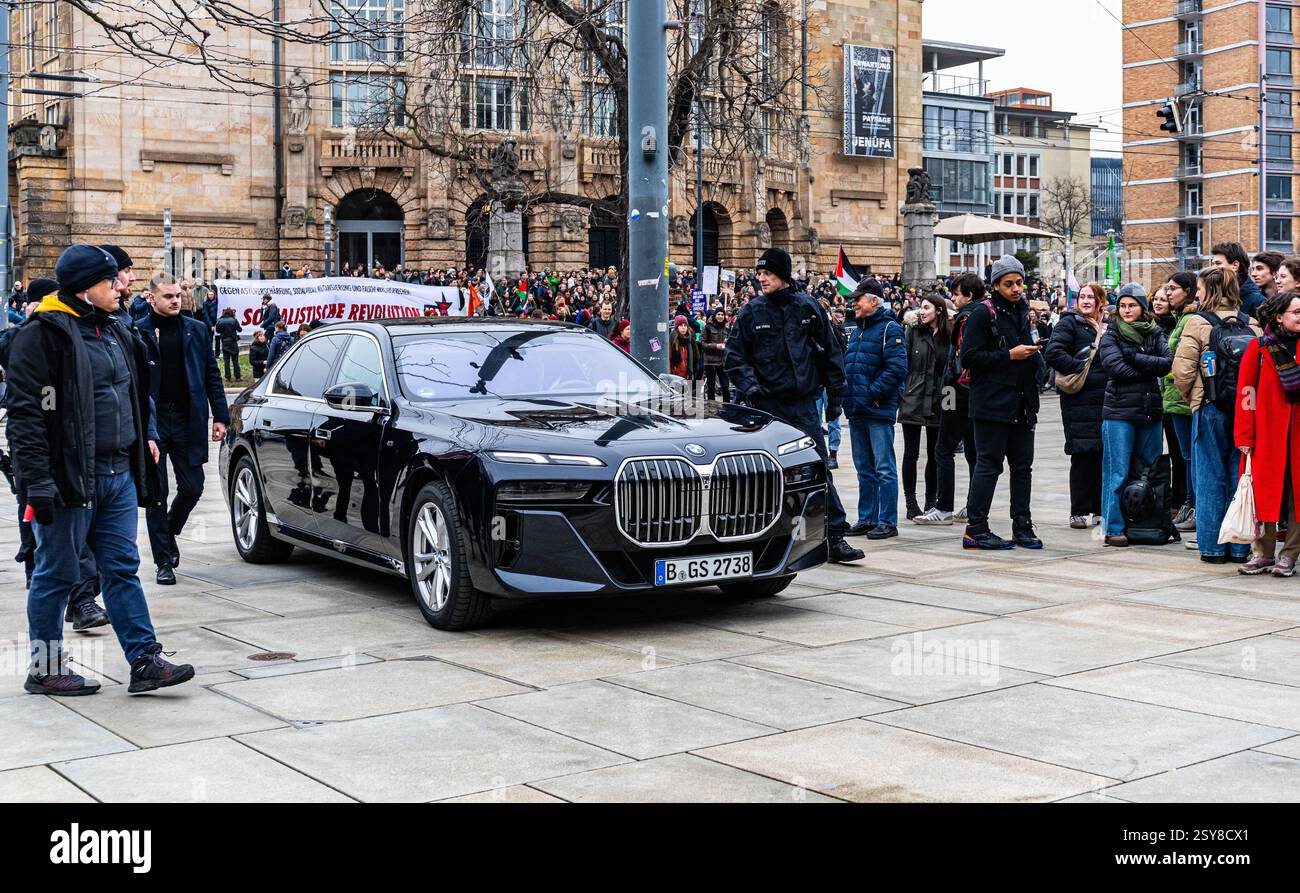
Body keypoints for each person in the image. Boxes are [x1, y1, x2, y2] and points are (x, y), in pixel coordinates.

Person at [7, 244, 193, 696]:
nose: (121, 285)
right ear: (85, 287)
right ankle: (45, 668)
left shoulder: (114, 329)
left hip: (118, 475)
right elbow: (27, 416)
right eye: (111, 280)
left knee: (122, 568)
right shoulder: (42, 334)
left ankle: (144, 660)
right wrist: (37, 484)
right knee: (56, 573)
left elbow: (132, 395)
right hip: (70, 478)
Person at [725, 247, 864, 563]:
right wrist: (750, 387)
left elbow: (831, 355)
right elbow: (734, 356)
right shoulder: (752, 311)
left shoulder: (808, 307)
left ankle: (834, 536)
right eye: (759, 273)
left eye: (767, 273)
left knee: (817, 470)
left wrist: (835, 402)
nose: (761, 278)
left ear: (783, 275)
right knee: (759, 473)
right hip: (764, 407)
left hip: (802, 406)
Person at [0, 278, 110, 631]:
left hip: (71, 452)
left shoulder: (68, 333)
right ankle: (45, 585)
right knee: (41, 532)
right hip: (34, 455)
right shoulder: (29, 335)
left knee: (74, 542)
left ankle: (80, 601)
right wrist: (28, 325)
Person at [136, 272, 230, 584]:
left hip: (187, 419)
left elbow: (211, 374)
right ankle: (164, 561)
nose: (175, 300)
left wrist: (220, 415)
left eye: (177, 295)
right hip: (153, 422)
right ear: (152, 298)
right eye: (168, 296)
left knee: (193, 487)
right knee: (157, 493)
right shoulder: (139, 332)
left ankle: (170, 528)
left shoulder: (197, 329)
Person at [1173, 266, 1261, 564]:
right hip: (1245, 409)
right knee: (1241, 477)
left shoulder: (1198, 323)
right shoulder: (1252, 324)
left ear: (1208, 290)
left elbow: (1182, 371)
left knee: (1209, 478)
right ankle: (1239, 547)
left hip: (1210, 407)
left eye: (1199, 288)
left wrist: (1195, 399)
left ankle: (1212, 547)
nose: (1196, 293)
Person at [960, 255, 1043, 550]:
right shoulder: (983, 313)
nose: (1017, 288)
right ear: (995, 285)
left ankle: (1022, 525)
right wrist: (1010, 355)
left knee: (1023, 467)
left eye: (1020, 282)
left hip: (1022, 401)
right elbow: (967, 358)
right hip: (991, 403)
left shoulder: (1022, 308)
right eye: (1009, 284)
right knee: (989, 465)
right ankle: (976, 527)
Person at [1097, 283, 1172, 546]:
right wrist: (1148, 367)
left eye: (1132, 305)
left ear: (1143, 307)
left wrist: (1137, 358)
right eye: (1123, 305)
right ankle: (1113, 527)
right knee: (1116, 473)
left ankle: (1146, 525)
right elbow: (1116, 368)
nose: (1127, 310)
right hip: (1118, 413)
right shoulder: (1111, 335)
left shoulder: (1155, 332)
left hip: (1150, 411)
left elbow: (1168, 363)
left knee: (1148, 472)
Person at [1236, 290, 1300, 576]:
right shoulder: (1259, 349)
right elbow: (1246, 394)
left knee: (1297, 495)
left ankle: (1289, 555)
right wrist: (1245, 437)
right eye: (1296, 312)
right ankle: (1263, 552)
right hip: (1267, 434)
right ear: (1278, 316)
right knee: (1264, 493)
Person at [841, 279, 907, 540]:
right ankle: (867, 518)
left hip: (876, 409)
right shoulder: (857, 330)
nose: (853, 303)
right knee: (864, 468)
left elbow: (897, 369)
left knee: (883, 468)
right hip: (857, 409)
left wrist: (871, 394)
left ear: (874, 301)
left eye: (858, 298)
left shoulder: (890, 329)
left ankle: (887, 521)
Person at [917, 273, 981, 526]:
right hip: (974, 393)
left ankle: (943, 507)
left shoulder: (965, 318)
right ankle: (974, 504)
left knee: (943, 449)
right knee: (974, 451)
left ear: (969, 296)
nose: (953, 298)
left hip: (955, 390)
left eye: (956, 294)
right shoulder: (983, 313)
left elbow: (958, 361)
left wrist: (946, 396)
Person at [1045, 281, 1108, 529]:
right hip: (1078, 398)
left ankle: (1099, 509)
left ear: (1100, 300)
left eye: (1091, 297)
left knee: (1102, 455)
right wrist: (1083, 368)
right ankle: (1079, 510)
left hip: (1104, 399)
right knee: (1082, 455)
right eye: (1082, 296)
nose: (1086, 301)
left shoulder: (1107, 326)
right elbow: (1054, 353)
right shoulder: (1069, 322)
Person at [899, 294, 949, 521]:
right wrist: (903, 394)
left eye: (927, 307)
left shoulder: (948, 335)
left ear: (939, 310)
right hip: (914, 397)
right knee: (911, 453)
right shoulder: (912, 331)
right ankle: (911, 502)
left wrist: (951, 406)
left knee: (935, 454)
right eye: (921, 307)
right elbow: (903, 366)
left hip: (940, 400)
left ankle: (932, 501)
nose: (922, 311)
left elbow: (952, 373)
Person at [1157, 272, 1198, 533]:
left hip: (1183, 400)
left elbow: (1181, 362)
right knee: (1184, 457)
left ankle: (1192, 505)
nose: (1168, 293)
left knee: (1190, 458)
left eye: (1173, 289)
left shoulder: (1189, 319)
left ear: (1188, 291)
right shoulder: (1179, 318)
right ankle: (1188, 504)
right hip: (1173, 400)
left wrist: (1166, 371)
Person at [1212, 241, 1264, 322]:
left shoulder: (1257, 302)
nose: (1213, 268)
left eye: (1218, 263)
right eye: (1213, 264)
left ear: (1235, 265)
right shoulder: (1210, 296)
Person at [701, 307, 731, 402]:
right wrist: (716, 346)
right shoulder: (708, 327)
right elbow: (702, 344)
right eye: (718, 314)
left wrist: (728, 343)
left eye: (722, 314)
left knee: (726, 387)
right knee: (711, 388)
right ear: (715, 315)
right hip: (710, 362)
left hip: (723, 362)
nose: (720, 316)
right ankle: (712, 410)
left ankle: (727, 409)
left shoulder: (727, 328)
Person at [668, 315, 702, 394]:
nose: (683, 328)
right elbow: (669, 360)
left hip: (688, 375)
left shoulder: (690, 340)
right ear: (677, 327)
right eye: (681, 325)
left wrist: (692, 372)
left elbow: (694, 358)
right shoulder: (673, 340)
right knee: (677, 401)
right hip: (676, 376)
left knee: (687, 401)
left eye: (685, 325)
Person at [215, 307, 243, 380]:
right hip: (233, 342)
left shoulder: (219, 320)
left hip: (224, 342)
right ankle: (237, 376)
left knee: (226, 361)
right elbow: (240, 330)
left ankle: (228, 377)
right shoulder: (233, 320)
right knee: (235, 361)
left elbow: (217, 331)